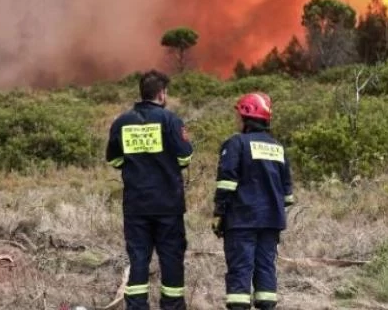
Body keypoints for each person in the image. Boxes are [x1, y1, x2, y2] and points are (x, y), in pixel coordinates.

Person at [107, 70, 193, 310]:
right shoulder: (170, 121)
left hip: (136, 205)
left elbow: (113, 160)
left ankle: (136, 306)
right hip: (168, 204)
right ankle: (172, 306)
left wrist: (136, 167)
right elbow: (186, 157)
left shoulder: (122, 122)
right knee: (171, 257)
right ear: (161, 94)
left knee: (138, 258)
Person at [212, 92, 295, 310]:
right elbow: (288, 195)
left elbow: (226, 183)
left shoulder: (236, 143)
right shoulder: (278, 148)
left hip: (242, 220)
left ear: (247, 116)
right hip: (271, 221)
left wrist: (219, 213)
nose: (236, 119)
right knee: (266, 269)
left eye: (239, 114)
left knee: (240, 269)